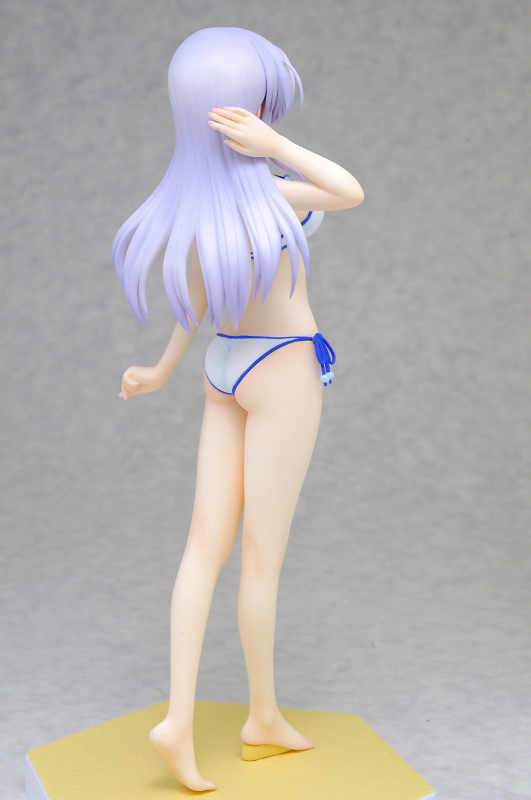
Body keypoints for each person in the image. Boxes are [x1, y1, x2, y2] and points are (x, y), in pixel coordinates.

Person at [112, 26, 364, 792]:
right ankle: (260, 715)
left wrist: (161, 370)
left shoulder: (197, 204)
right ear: (248, 107)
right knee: (260, 557)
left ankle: (180, 720)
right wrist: (275, 146)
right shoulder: (274, 191)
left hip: (222, 368)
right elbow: (347, 190)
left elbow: (196, 300)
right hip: (281, 367)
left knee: (202, 546)